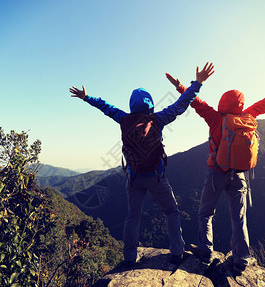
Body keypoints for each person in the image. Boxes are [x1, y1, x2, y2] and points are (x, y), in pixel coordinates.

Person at [69, 61, 215, 266]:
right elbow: (182, 104)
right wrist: (197, 83)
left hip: (134, 177)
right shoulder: (158, 119)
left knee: (132, 217)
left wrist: (87, 98)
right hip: (157, 177)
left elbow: (106, 107)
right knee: (171, 212)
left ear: (132, 105)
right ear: (151, 104)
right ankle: (176, 252)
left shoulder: (123, 119)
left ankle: (129, 256)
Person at [166, 71, 265, 272]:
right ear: (240, 104)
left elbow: (196, 101)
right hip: (240, 175)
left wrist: (180, 86)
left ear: (222, 102)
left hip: (217, 173)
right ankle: (241, 258)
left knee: (205, 213)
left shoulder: (215, 118)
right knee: (239, 219)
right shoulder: (249, 115)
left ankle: (206, 249)